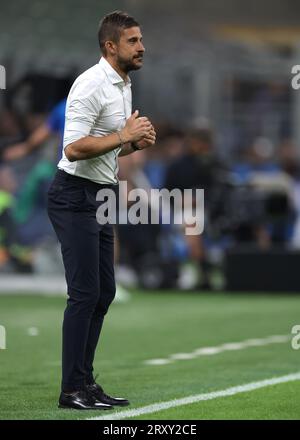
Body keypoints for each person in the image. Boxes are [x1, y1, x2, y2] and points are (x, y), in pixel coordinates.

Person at [47, 11, 156, 410]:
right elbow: (73, 148)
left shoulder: (123, 84)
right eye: (132, 40)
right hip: (73, 195)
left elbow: (109, 145)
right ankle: (70, 389)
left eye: (141, 39)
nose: (142, 46)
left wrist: (132, 145)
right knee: (85, 293)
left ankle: (86, 384)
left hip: (101, 194)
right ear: (111, 46)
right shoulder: (90, 84)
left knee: (104, 292)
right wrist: (122, 135)